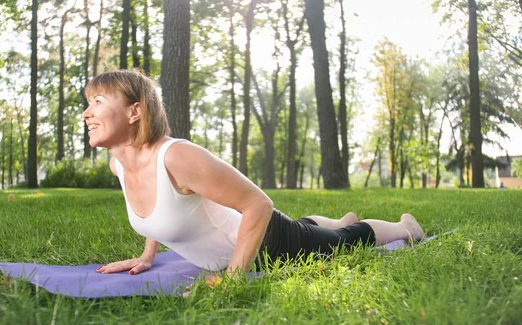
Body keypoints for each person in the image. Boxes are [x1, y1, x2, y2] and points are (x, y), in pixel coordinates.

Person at [82, 69, 424, 282]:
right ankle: (331, 220)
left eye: (97, 101)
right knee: (308, 227)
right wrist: (147, 255)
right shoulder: (120, 165)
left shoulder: (177, 156)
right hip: (245, 235)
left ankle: (405, 228)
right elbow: (161, 209)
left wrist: (233, 279)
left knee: (345, 241)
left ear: (135, 111)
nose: (87, 113)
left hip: (266, 247)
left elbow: (259, 205)